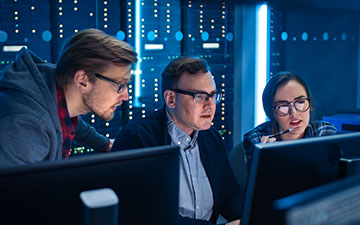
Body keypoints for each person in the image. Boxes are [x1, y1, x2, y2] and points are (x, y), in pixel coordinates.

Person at [112, 57, 243, 225]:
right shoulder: (138, 140)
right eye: (199, 96)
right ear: (171, 99)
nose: (210, 105)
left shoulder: (212, 137)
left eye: (213, 95)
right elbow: (145, 215)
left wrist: (250, 216)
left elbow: (230, 193)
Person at [0, 28, 137, 166]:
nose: (126, 96)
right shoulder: (24, 128)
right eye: (120, 85)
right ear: (82, 81)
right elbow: (17, 187)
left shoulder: (54, 93)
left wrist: (105, 144)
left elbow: (76, 125)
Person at [239, 71, 337, 172]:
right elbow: (260, 186)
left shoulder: (325, 132)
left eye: (300, 102)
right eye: (283, 106)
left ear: (310, 105)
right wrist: (267, 161)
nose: (294, 114)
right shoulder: (257, 140)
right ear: (271, 112)